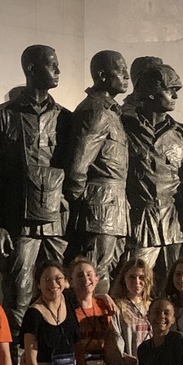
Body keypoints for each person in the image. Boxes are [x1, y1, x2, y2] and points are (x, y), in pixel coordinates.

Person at [0, 45, 72, 349]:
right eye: (52, 65)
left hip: (57, 222)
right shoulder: (2, 116)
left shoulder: (66, 119)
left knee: (59, 289)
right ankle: (19, 358)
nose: (58, 71)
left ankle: (57, 348)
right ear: (31, 69)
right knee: (18, 293)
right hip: (18, 221)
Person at [122, 64, 183, 288]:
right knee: (134, 285)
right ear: (151, 92)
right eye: (170, 90)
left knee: (176, 289)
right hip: (138, 222)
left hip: (173, 224)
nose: (175, 96)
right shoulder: (125, 127)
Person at [65, 51, 130, 289]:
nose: (126, 76)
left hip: (113, 204)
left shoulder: (111, 111)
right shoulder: (96, 111)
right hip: (100, 207)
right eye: (120, 70)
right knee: (94, 275)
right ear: (102, 75)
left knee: (106, 271)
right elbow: (78, 167)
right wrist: (81, 204)